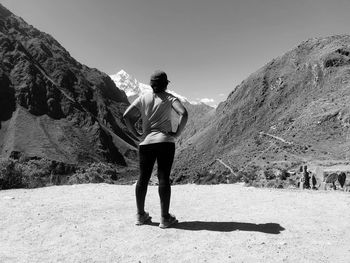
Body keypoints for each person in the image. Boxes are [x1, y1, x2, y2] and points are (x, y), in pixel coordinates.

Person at [123, 70, 188, 229]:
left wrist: (136, 133)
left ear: (151, 84)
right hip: (165, 142)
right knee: (163, 177)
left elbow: (126, 116)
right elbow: (183, 114)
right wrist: (177, 133)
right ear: (166, 84)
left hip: (146, 143)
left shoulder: (143, 98)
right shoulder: (169, 98)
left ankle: (140, 215)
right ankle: (165, 218)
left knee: (143, 178)